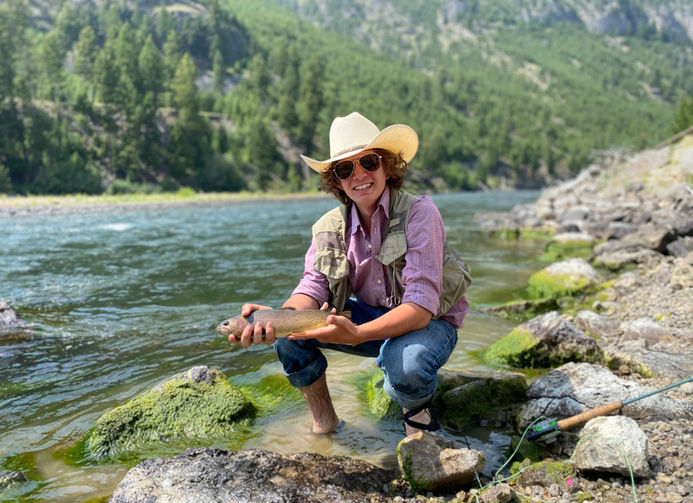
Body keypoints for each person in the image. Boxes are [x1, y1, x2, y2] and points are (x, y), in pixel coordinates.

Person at [229, 112, 470, 435]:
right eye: (345, 169)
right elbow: (312, 288)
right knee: (290, 341)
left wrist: (356, 334)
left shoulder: (420, 212)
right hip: (370, 317)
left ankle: (417, 415)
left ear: (386, 165)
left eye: (368, 162)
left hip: (429, 322)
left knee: (407, 365)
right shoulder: (329, 227)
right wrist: (277, 319)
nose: (359, 175)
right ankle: (325, 425)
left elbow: (421, 308)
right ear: (337, 180)